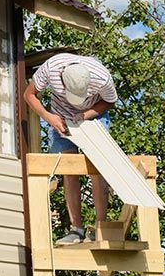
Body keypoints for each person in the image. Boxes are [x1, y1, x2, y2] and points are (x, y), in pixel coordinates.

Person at [24, 53, 118, 245]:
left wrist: (86, 114)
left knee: (97, 167)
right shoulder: (51, 69)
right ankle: (76, 229)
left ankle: (101, 226)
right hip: (61, 118)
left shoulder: (102, 77)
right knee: (69, 168)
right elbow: (29, 94)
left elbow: (109, 101)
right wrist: (49, 117)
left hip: (93, 116)